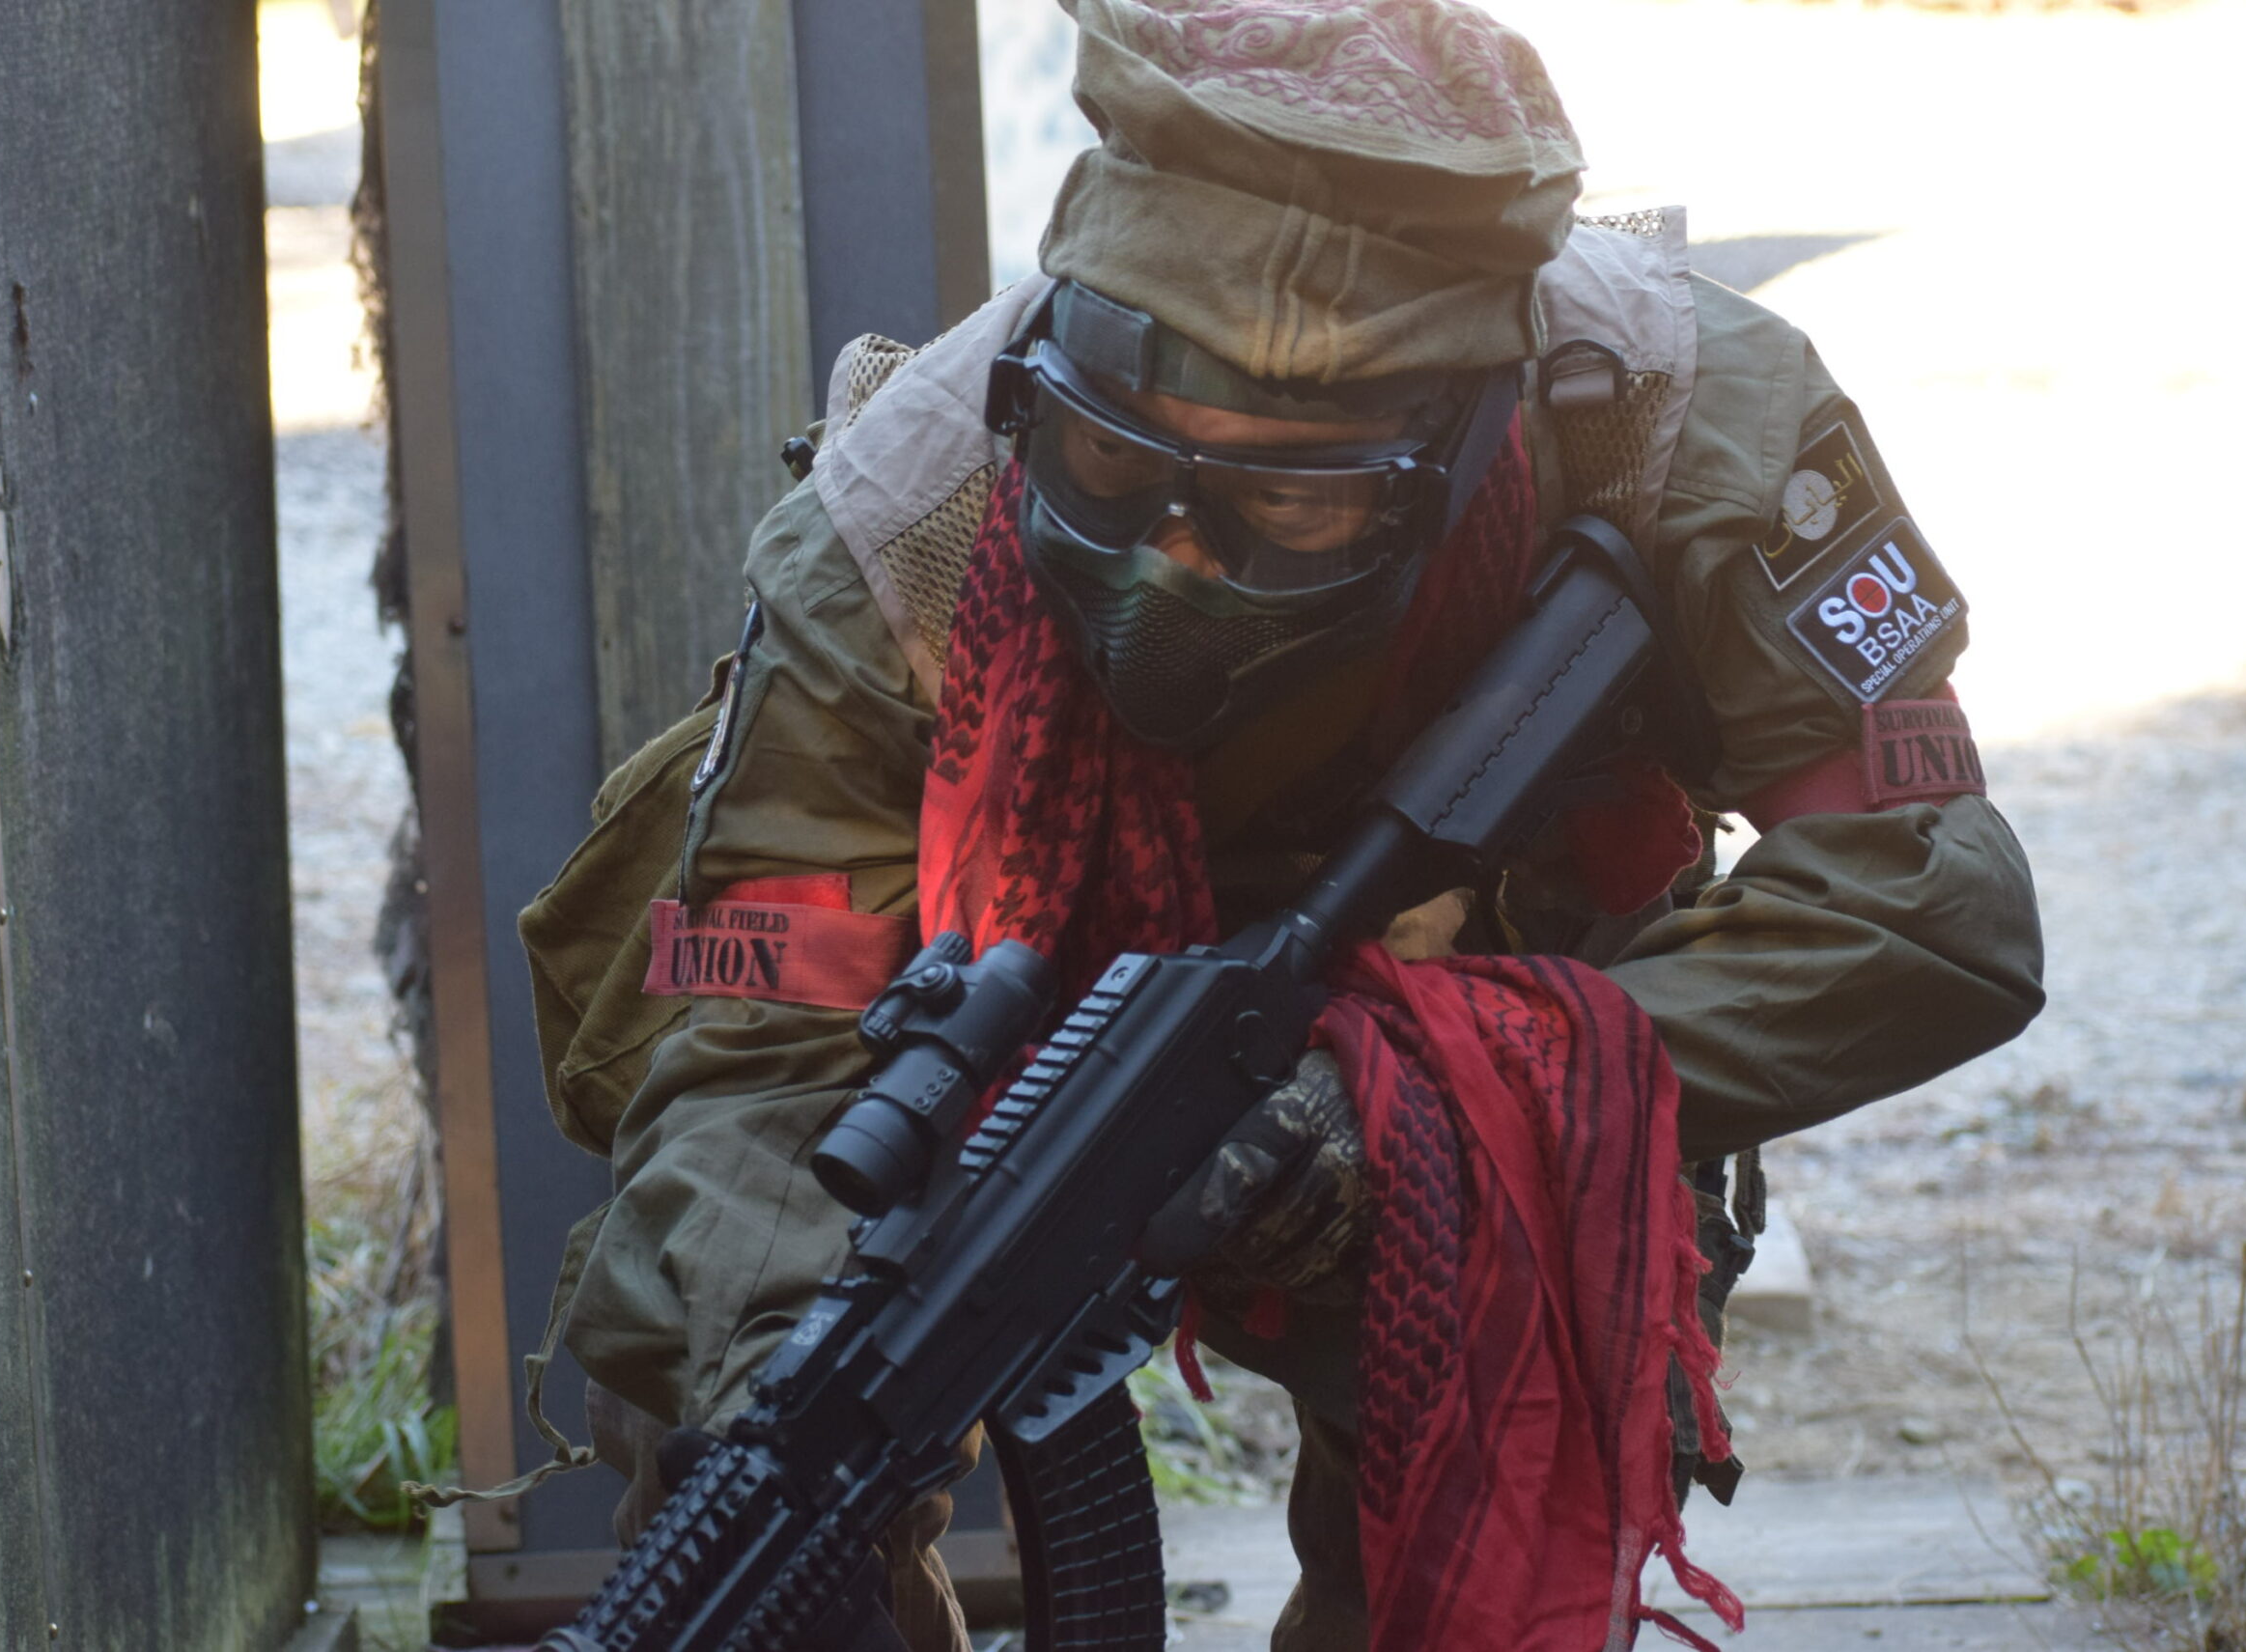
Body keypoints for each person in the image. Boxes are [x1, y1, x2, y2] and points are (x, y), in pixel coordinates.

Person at [531, 2, 2045, 1646]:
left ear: (1458, 448)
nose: (1174, 557)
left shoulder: (1675, 419)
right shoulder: (909, 514)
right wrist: (789, 1401)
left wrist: (1419, 1110)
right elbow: (766, 1039)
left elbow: (1926, 901)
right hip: (988, 1020)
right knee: (728, 1406)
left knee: (1508, 1421)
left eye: (1293, 500)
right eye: (1115, 467)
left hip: (1485, 1009)